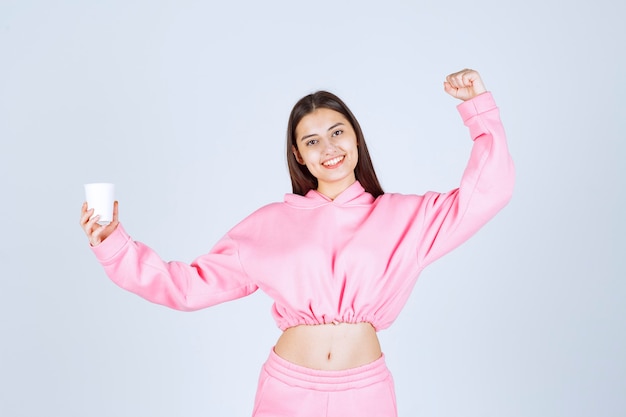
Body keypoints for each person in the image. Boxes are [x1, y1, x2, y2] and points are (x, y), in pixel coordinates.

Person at [80, 68, 515, 417]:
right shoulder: (268, 224)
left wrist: (479, 111)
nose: (328, 147)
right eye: (312, 140)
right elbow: (188, 287)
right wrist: (115, 245)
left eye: (337, 132)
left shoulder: (406, 216)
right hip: (286, 391)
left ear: (356, 138)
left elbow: (486, 194)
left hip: (364, 393)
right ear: (299, 154)